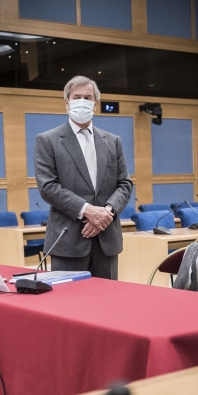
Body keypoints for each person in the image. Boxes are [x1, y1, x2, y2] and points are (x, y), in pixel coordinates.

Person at [34, 75, 133, 279]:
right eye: (76, 96)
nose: (82, 101)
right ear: (66, 102)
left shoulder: (113, 141)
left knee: (107, 306)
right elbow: (48, 187)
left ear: (95, 104)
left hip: (106, 241)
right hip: (68, 241)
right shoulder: (48, 140)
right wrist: (88, 211)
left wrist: (106, 213)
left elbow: (124, 184)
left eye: (87, 97)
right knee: (69, 306)